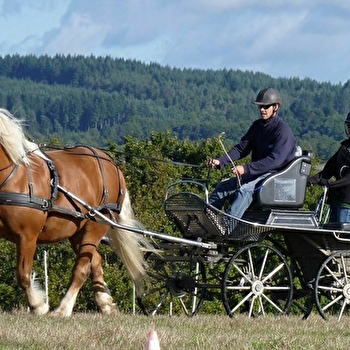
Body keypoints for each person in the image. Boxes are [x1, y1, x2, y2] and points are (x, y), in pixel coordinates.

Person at [207, 87, 297, 219]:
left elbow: (275, 160)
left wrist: (245, 168)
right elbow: (241, 149)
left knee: (245, 190)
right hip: (258, 173)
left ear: (276, 107)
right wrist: (221, 161)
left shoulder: (283, 131)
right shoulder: (257, 126)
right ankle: (206, 223)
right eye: (260, 106)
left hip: (274, 176)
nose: (262, 109)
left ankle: (227, 229)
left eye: (266, 106)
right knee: (222, 187)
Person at [308, 111, 350, 222]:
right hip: (336, 201)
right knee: (331, 235)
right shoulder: (345, 148)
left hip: (347, 205)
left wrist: (331, 184)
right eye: (349, 126)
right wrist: (309, 180)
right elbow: (328, 170)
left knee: (342, 236)